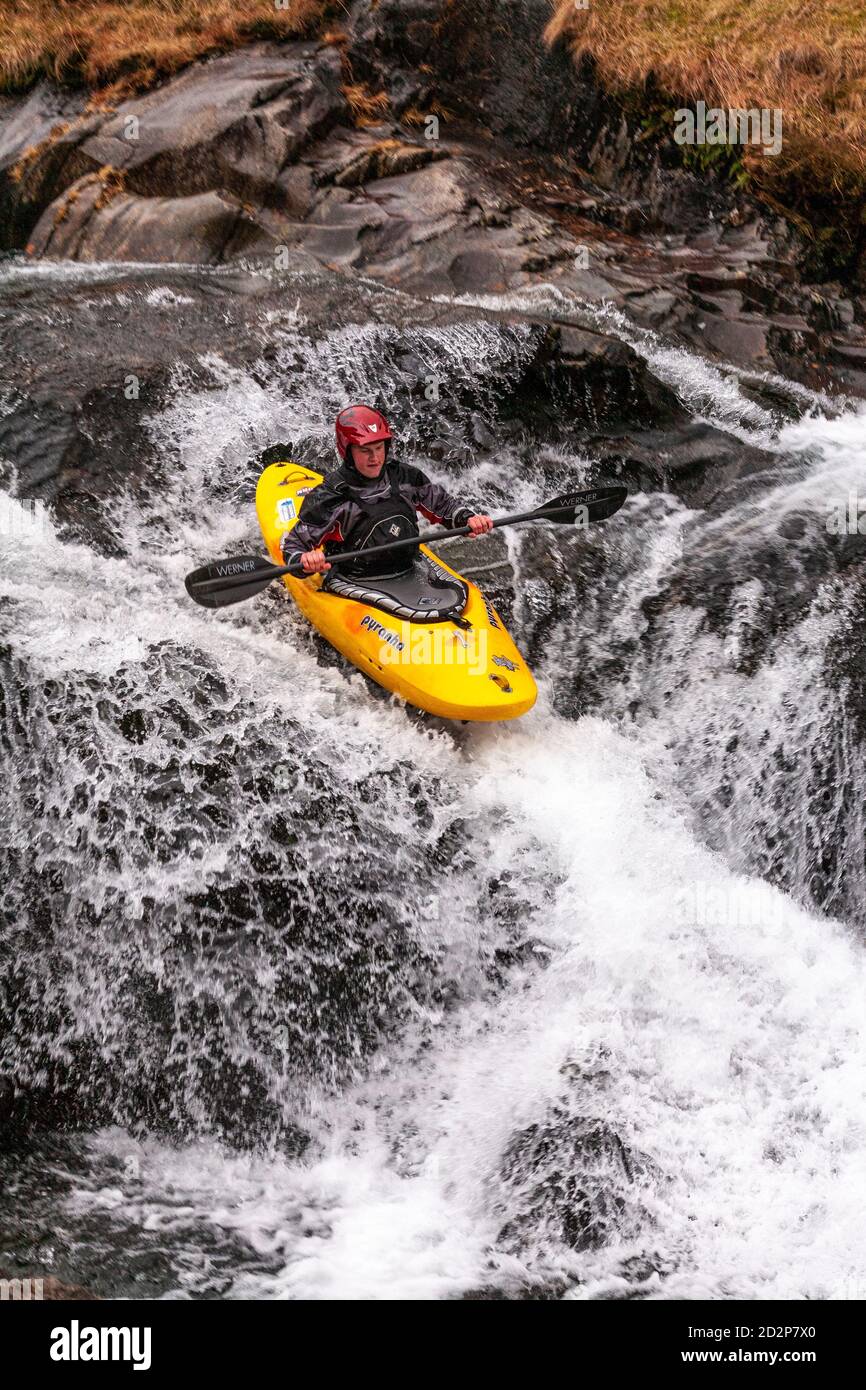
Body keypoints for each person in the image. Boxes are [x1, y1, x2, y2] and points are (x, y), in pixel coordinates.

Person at [280, 405, 494, 578]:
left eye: (379, 448)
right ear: (348, 452)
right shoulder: (332, 497)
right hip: (355, 579)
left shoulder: (404, 477)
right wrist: (306, 561)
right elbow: (294, 546)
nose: (375, 458)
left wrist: (468, 519)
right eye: (365, 451)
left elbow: (443, 505)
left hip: (408, 568)